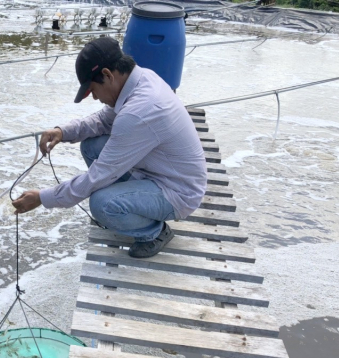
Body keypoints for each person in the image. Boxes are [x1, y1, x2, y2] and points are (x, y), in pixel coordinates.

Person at [11, 37, 206, 258]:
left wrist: (42, 197)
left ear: (107, 74)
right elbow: (103, 121)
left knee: (102, 204)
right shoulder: (139, 79)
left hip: (178, 191)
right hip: (159, 170)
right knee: (92, 146)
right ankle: (131, 206)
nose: (94, 97)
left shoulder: (140, 111)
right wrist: (63, 131)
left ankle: (155, 231)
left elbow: (98, 175)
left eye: (92, 89)